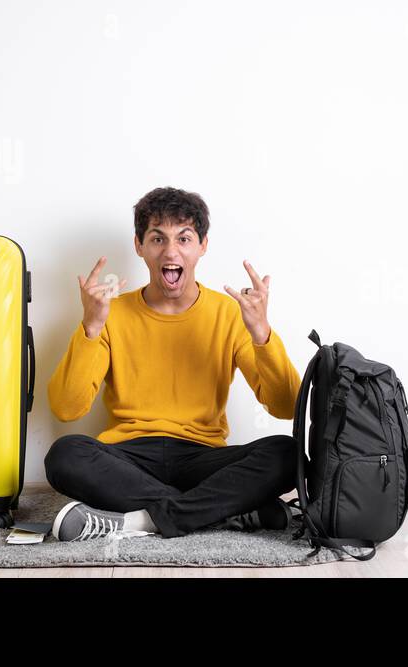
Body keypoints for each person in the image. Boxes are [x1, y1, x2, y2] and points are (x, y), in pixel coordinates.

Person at [43, 186, 302, 542]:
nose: (171, 251)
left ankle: (141, 522)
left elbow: (287, 406)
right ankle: (218, 513)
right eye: (157, 238)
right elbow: (66, 408)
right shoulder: (110, 313)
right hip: (129, 458)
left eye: (184, 238)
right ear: (139, 246)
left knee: (287, 454)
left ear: (203, 245)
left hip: (203, 458)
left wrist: (261, 334)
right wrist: (91, 327)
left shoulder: (229, 314)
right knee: (65, 456)